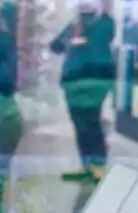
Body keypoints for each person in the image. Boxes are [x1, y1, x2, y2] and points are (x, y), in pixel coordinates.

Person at [51, 0, 115, 181]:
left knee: (87, 122)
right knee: (85, 122)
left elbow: (56, 46)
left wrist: (73, 37)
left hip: (85, 80)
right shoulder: (82, 25)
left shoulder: (96, 24)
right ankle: (90, 165)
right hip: (85, 81)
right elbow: (56, 46)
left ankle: (96, 164)